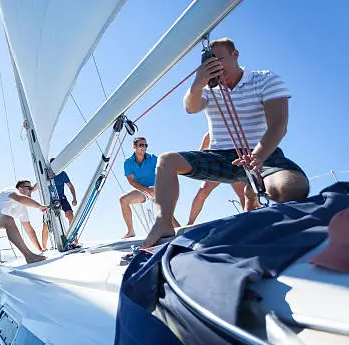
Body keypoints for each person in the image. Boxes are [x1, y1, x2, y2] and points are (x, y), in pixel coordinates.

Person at [141, 37, 309, 248]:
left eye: (219, 60)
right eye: (209, 65)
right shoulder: (208, 89)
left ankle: (253, 197)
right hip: (220, 157)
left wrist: (258, 156)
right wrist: (198, 82)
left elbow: (278, 126)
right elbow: (191, 107)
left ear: (235, 55)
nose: (216, 68)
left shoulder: (265, 79)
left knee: (292, 188)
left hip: (263, 153)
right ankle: (163, 223)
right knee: (166, 160)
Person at [120, 137, 179, 238]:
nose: (144, 147)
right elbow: (131, 181)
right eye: (141, 145)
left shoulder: (152, 158)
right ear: (134, 146)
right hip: (142, 189)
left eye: (145, 145)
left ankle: (180, 231)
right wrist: (147, 190)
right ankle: (130, 231)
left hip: (156, 187)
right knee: (123, 200)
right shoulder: (128, 162)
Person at [187, 132, 247, 225]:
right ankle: (190, 223)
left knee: (242, 194)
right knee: (203, 191)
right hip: (218, 163)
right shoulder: (211, 133)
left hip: (234, 163)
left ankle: (247, 218)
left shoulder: (236, 131)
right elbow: (201, 150)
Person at [39, 158, 78, 250]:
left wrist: (74, 198)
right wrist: (31, 190)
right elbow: (38, 184)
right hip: (50, 199)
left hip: (61, 197)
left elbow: (70, 186)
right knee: (47, 222)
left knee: (70, 215)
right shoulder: (46, 174)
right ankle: (43, 247)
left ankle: (75, 240)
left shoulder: (62, 174)